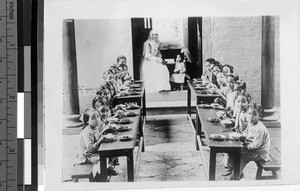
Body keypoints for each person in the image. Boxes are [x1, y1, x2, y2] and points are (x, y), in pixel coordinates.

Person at [223, 104, 270, 180]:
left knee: (241, 155)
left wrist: (244, 146)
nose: (251, 116)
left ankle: (236, 175)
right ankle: (232, 169)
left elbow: (256, 145)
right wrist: (239, 136)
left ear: (259, 116)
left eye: (254, 114)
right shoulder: (251, 124)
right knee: (233, 150)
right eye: (249, 114)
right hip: (252, 148)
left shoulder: (260, 128)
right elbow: (245, 133)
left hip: (260, 153)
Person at [74, 108, 118, 180]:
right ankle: (99, 176)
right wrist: (100, 140)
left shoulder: (95, 127)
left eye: (97, 117)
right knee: (102, 157)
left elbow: (98, 136)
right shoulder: (87, 132)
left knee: (111, 150)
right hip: (85, 155)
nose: (96, 119)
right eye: (93, 118)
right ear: (87, 121)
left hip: (93, 151)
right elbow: (90, 149)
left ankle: (108, 168)